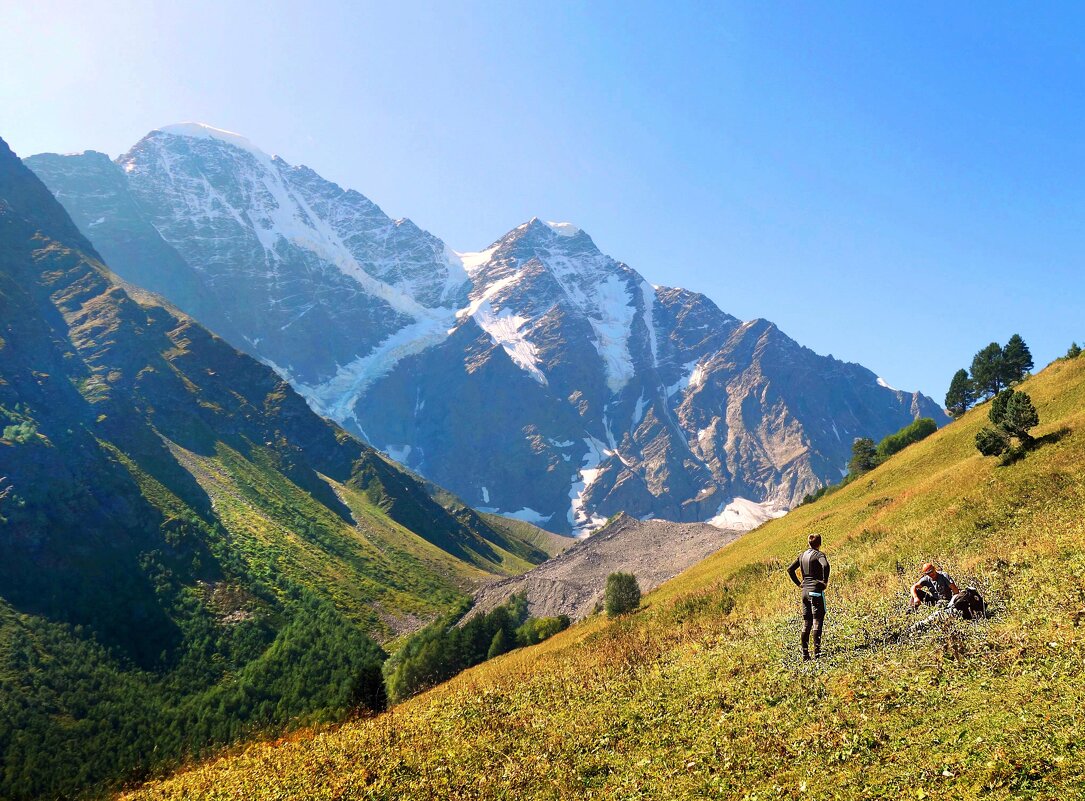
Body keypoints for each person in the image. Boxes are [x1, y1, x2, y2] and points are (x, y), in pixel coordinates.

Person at [787, 533, 830, 660]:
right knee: (817, 621)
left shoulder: (802, 555)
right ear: (819, 543)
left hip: (804, 592)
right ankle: (817, 653)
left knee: (807, 623)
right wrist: (824, 581)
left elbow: (790, 569)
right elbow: (826, 565)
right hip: (815, 591)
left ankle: (805, 654)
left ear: (809, 543)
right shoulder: (819, 555)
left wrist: (799, 583)